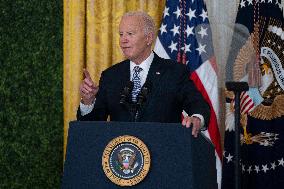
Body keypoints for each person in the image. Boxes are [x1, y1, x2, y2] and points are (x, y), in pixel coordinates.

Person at [77, 11, 210, 137]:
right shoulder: (110, 76)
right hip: (121, 157)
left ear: (149, 38)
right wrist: (88, 101)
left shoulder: (174, 72)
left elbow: (198, 104)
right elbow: (92, 126)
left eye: (130, 33)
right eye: (121, 34)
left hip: (163, 154)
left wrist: (197, 118)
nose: (123, 40)